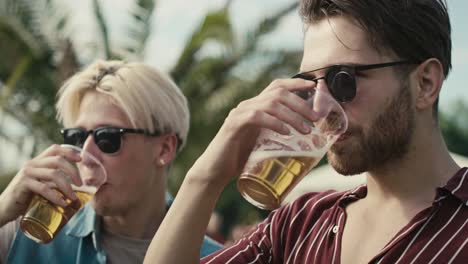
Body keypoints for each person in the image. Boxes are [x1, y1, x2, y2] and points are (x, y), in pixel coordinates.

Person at [144, 0, 468, 263]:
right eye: (311, 85)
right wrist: (206, 176)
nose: (318, 108)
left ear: (425, 84)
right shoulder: (301, 222)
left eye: (343, 80)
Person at [0, 60, 222, 264]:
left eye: (107, 138)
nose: (85, 155)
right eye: (76, 137)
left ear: (164, 149)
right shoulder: (25, 234)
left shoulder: (215, 259)